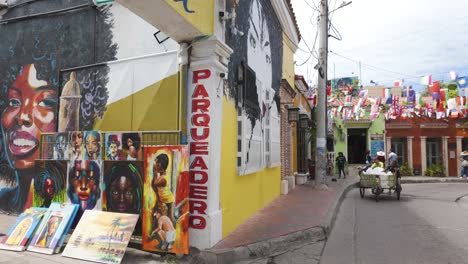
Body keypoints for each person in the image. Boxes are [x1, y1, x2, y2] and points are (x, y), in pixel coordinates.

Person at [0, 64, 57, 212]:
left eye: (45, 102)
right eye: (14, 102)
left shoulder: (63, 211)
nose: (22, 117)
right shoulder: (2, 200)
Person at [152, 153, 175, 221]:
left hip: (168, 201)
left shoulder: (163, 179)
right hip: (164, 200)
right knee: (164, 217)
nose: (155, 165)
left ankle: (170, 229)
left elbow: (154, 183)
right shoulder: (161, 177)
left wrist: (155, 172)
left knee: (168, 218)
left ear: (159, 165)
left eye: (156, 163)